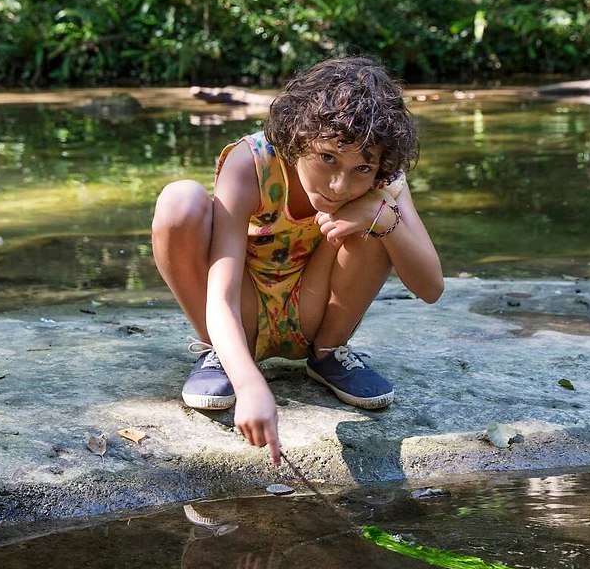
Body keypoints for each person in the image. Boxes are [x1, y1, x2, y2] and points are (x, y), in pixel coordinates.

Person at [151, 56, 444, 465]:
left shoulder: (381, 179)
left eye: (361, 167)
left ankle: (328, 353)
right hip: (243, 307)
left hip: (314, 309)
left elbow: (431, 288)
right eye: (327, 158)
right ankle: (225, 353)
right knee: (178, 201)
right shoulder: (251, 163)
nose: (341, 184)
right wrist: (251, 385)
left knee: (383, 220)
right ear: (297, 137)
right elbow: (220, 293)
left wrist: (382, 218)